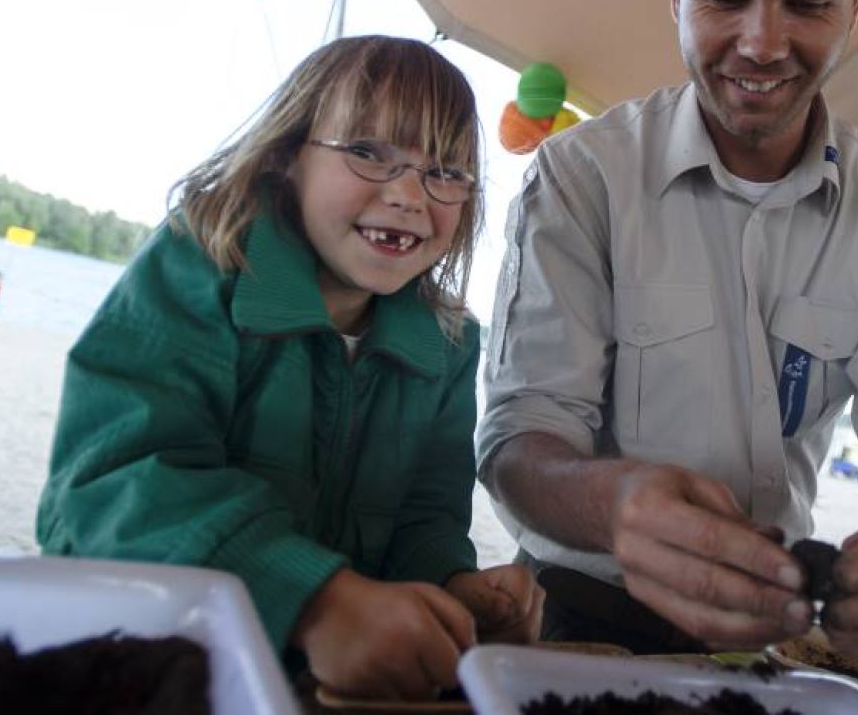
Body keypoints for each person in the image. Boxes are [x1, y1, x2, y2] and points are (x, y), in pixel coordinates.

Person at [478, 0, 858, 667]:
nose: (761, 44)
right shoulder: (581, 177)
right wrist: (617, 510)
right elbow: (518, 442)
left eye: (808, 3)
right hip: (578, 620)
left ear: (855, 0)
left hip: (776, 638)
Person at [37, 36, 543, 699]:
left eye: (445, 171)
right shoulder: (200, 270)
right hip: (145, 670)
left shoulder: (447, 343)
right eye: (367, 153)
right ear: (286, 158)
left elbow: (426, 517)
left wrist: (454, 586)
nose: (409, 194)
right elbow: (108, 485)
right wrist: (315, 601)